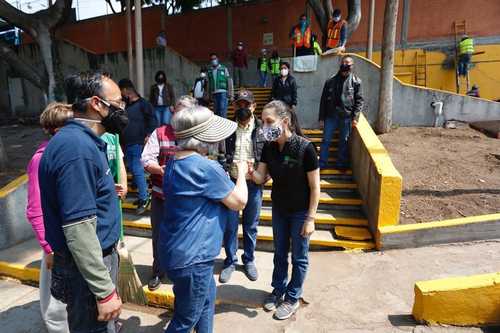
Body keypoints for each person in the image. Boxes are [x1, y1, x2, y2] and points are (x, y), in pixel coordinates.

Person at [38, 71, 128, 332]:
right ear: (97, 104)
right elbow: (78, 228)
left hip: (90, 264)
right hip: (86, 270)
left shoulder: (81, 143)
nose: (123, 109)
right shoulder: (77, 150)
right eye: (119, 102)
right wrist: (104, 291)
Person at [159, 106, 248, 332]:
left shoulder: (173, 161)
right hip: (194, 258)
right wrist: (242, 171)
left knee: (206, 303)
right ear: (200, 139)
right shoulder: (205, 167)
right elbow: (239, 202)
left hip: (179, 253)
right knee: (185, 320)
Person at [249, 100, 320, 320]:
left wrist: (311, 218)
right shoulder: (269, 148)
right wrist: (250, 172)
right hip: (279, 209)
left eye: (269, 121)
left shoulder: (305, 148)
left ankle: (292, 297)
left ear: (285, 121)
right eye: (262, 122)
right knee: (279, 254)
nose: (264, 127)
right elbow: (261, 177)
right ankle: (277, 290)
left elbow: (315, 187)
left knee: (299, 257)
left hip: (300, 212)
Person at [140, 95, 197, 292]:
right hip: (161, 196)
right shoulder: (160, 132)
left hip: (187, 199)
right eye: (179, 110)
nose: (181, 114)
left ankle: (179, 273)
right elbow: (146, 159)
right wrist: (162, 170)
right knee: (159, 236)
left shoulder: (194, 133)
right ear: (173, 110)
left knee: (184, 237)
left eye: (186, 111)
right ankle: (158, 271)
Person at [26, 102, 73, 333]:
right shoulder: (40, 160)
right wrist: (48, 247)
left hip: (72, 239)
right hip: (55, 243)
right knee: (55, 306)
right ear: (58, 129)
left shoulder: (69, 155)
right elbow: (34, 209)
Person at [220, 89, 266, 284]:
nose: (242, 108)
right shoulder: (227, 128)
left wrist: (263, 175)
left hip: (253, 185)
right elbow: (220, 154)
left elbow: (269, 156)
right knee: (230, 226)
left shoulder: (263, 129)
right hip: (231, 184)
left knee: (250, 226)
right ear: (233, 107)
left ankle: (249, 260)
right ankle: (230, 261)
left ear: (254, 106)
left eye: (246, 105)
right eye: (239, 105)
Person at [318, 55, 364, 170]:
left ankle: (341, 164)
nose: (345, 66)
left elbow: (359, 100)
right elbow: (323, 100)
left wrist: (355, 117)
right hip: (331, 116)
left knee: (344, 141)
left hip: (346, 116)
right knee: (326, 140)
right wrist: (321, 118)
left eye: (348, 64)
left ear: (352, 66)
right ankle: (322, 163)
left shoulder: (356, 81)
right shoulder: (330, 81)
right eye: (344, 63)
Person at [120, 78, 157, 214]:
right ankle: (142, 195)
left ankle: (144, 198)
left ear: (125, 90)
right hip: (127, 142)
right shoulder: (126, 106)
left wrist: (148, 136)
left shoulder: (143, 104)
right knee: (133, 168)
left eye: (121, 92)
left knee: (137, 169)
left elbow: (153, 121)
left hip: (137, 142)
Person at [208, 52, 234, 119]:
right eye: (212, 59)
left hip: (223, 92)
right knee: (216, 112)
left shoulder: (223, 68)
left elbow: (229, 81)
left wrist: (231, 94)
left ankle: (224, 126)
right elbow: (209, 84)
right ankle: (218, 127)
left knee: (222, 110)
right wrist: (209, 95)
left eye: (215, 58)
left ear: (217, 59)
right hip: (214, 93)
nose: (213, 60)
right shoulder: (210, 71)